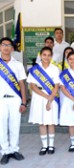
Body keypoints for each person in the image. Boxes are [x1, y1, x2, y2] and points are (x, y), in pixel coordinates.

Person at [27, 47, 60, 156]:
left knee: (50, 122)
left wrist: (50, 98)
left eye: (48, 55)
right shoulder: (34, 69)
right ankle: (44, 146)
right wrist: (47, 97)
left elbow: (56, 85)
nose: (46, 57)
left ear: (51, 56)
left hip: (52, 96)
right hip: (39, 96)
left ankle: (51, 145)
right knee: (41, 122)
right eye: (44, 55)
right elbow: (32, 85)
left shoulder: (55, 69)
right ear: (40, 56)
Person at [0, 37, 27, 165]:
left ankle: (15, 149)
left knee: (15, 125)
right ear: (0, 47)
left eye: (8, 45)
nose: (6, 47)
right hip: (1, 100)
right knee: (2, 126)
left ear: (12, 48)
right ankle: (5, 151)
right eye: (3, 45)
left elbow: (22, 84)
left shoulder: (18, 64)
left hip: (15, 100)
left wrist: (23, 101)